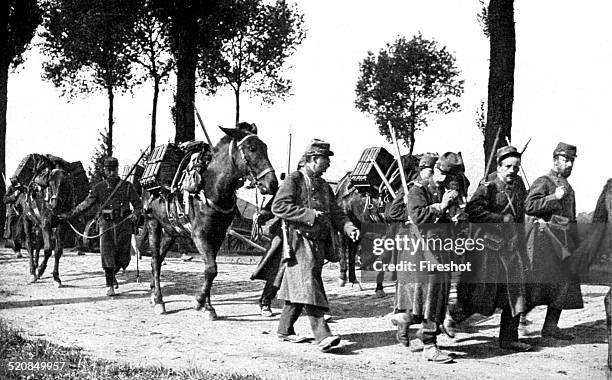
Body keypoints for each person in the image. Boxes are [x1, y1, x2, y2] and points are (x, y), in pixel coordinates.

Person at [271, 139, 359, 352]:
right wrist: (309, 214)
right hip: (298, 241)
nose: (328, 164)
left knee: (301, 285)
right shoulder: (294, 179)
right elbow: (279, 206)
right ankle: (323, 335)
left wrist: (348, 227)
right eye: (325, 160)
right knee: (309, 284)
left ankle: (284, 329)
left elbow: (337, 213)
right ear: (312, 160)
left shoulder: (322, 185)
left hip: (319, 243)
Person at [452, 146, 532, 351]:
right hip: (489, 250)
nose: (512, 171)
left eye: (516, 166)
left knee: (515, 292)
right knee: (481, 295)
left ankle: (508, 338)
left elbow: (522, 213)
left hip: (512, 247)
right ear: (499, 166)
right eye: (508, 166)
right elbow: (473, 211)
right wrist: (500, 219)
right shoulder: (488, 186)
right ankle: (447, 318)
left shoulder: (519, 185)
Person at [387, 152, 464, 363]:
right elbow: (418, 216)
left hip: (441, 250)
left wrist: (454, 217)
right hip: (422, 252)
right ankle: (430, 345)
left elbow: (449, 219)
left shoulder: (445, 191)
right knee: (428, 298)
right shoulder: (417, 190)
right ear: (435, 169)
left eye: (448, 177)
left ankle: (407, 323)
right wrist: (441, 206)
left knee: (434, 298)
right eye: (440, 173)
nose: (442, 179)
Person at [524, 142, 583, 340]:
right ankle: (519, 317)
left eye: (572, 161)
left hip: (564, 244)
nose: (569, 165)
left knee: (564, 284)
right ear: (555, 160)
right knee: (538, 285)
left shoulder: (569, 187)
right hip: (545, 243)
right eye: (565, 160)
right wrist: (552, 197)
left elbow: (571, 218)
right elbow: (529, 206)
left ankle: (550, 326)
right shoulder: (545, 181)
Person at [60, 157, 141, 296]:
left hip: (123, 224)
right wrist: (70, 215)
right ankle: (109, 284)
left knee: (124, 258)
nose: (111, 173)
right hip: (106, 223)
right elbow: (85, 204)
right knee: (107, 254)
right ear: (104, 170)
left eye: (114, 169)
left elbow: (138, 205)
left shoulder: (127, 186)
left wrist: (136, 214)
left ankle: (114, 274)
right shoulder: (98, 188)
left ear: (117, 169)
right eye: (109, 170)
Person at [3, 177, 25, 258]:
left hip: (22, 211)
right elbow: (5, 200)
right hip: (13, 210)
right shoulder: (10, 188)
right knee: (12, 230)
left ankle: (20, 248)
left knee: (20, 231)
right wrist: (13, 196)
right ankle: (16, 249)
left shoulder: (23, 188)